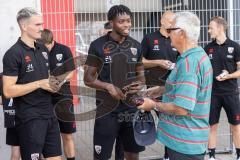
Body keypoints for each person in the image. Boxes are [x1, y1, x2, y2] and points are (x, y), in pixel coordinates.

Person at [138, 11, 213, 160]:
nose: (167, 33)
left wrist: (152, 105)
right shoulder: (194, 56)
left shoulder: (189, 63)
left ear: (182, 34)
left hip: (185, 145)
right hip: (187, 142)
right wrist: (162, 90)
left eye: (170, 30)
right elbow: (188, 89)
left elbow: (181, 108)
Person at [84, 5, 145, 160]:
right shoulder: (97, 46)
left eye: (129, 21)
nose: (126, 25)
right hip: (107, 111)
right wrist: (108, 86)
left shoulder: (136, 46)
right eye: (121, 21)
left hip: (131, 109)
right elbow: (88, 78)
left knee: (131, 154)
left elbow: (141, 75)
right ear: (111, 23)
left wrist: (140, 83)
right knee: (101, 156)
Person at [2, 7, 62, 160]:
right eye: (37, 25)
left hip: (49, 115)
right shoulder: (13, 54)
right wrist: (38, 84)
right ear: (23, 26)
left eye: (42, 24)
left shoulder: (42, 49)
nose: (42, 28)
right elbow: (8, 91)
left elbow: (45, 78)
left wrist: (53, 84)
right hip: (29, 119)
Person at [141, 10, 178, 160]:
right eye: (171, 21)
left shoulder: (176, 38)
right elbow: (140, 61)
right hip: (155, 90)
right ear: (162, 21)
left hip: (174, 88)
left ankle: (169, 155)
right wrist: (158, 62)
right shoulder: (150, 39)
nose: (173, 24)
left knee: (171, 123)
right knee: (165, 122)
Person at [204, 16, 240, 160]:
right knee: (212, 126)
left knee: (235, 125)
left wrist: (229, 76)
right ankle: (211, 156)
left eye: (211, 27)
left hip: (231, 93)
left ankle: (238, 155)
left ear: (220, 28)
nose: (208, 30)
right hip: (213, 94)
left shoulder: (235, 47)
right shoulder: (208, 48)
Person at [38, 28, 76, 160]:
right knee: (44, 137)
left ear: (52, 41)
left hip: (63, 100)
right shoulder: (37, 51)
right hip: (44, 100)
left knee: (67, 135)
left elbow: (71, 72)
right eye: (42, 47)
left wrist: (59, 81)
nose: (45, 50)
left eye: (47, 46)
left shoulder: (64, 50)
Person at [0, 73, 21, 160]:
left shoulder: (2, 76)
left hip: (11, 118)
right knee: (32, 151)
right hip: (26, 118)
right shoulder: (25, 73)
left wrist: (6, 102)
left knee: (15, 151)